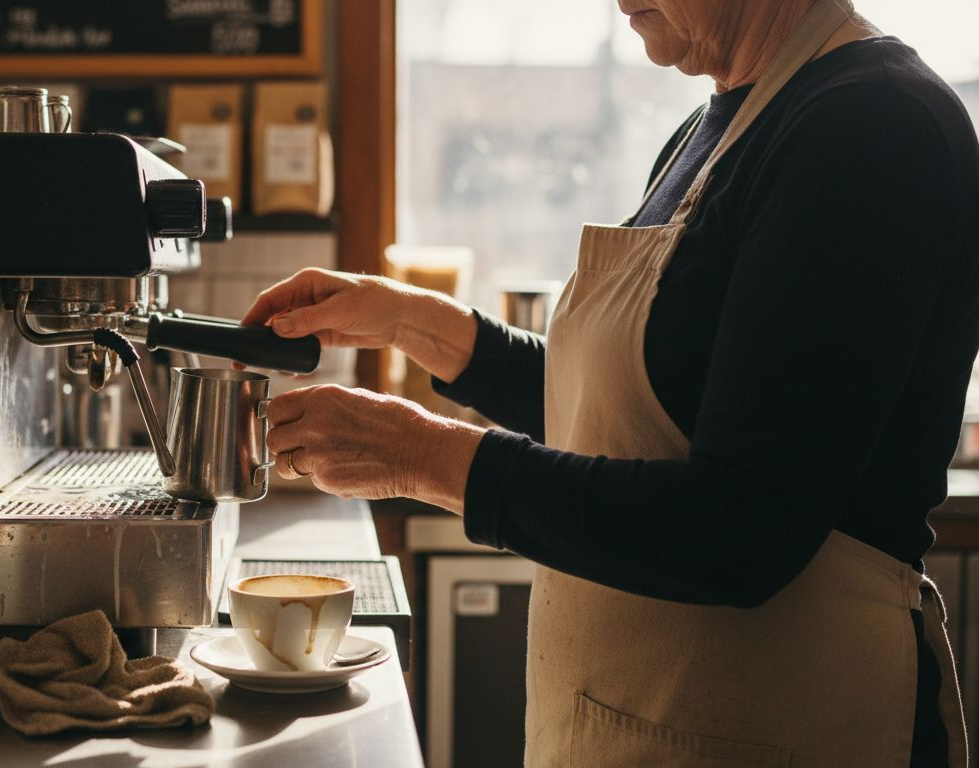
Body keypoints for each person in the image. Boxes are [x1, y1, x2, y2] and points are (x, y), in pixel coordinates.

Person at [242, 0, 979, 764]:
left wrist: (424, 457)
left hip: (784, 734)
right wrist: (419, 325)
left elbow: (739, 531)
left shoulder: (874, 129)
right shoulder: (716, 129)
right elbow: (626, 413)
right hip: (652, 724)